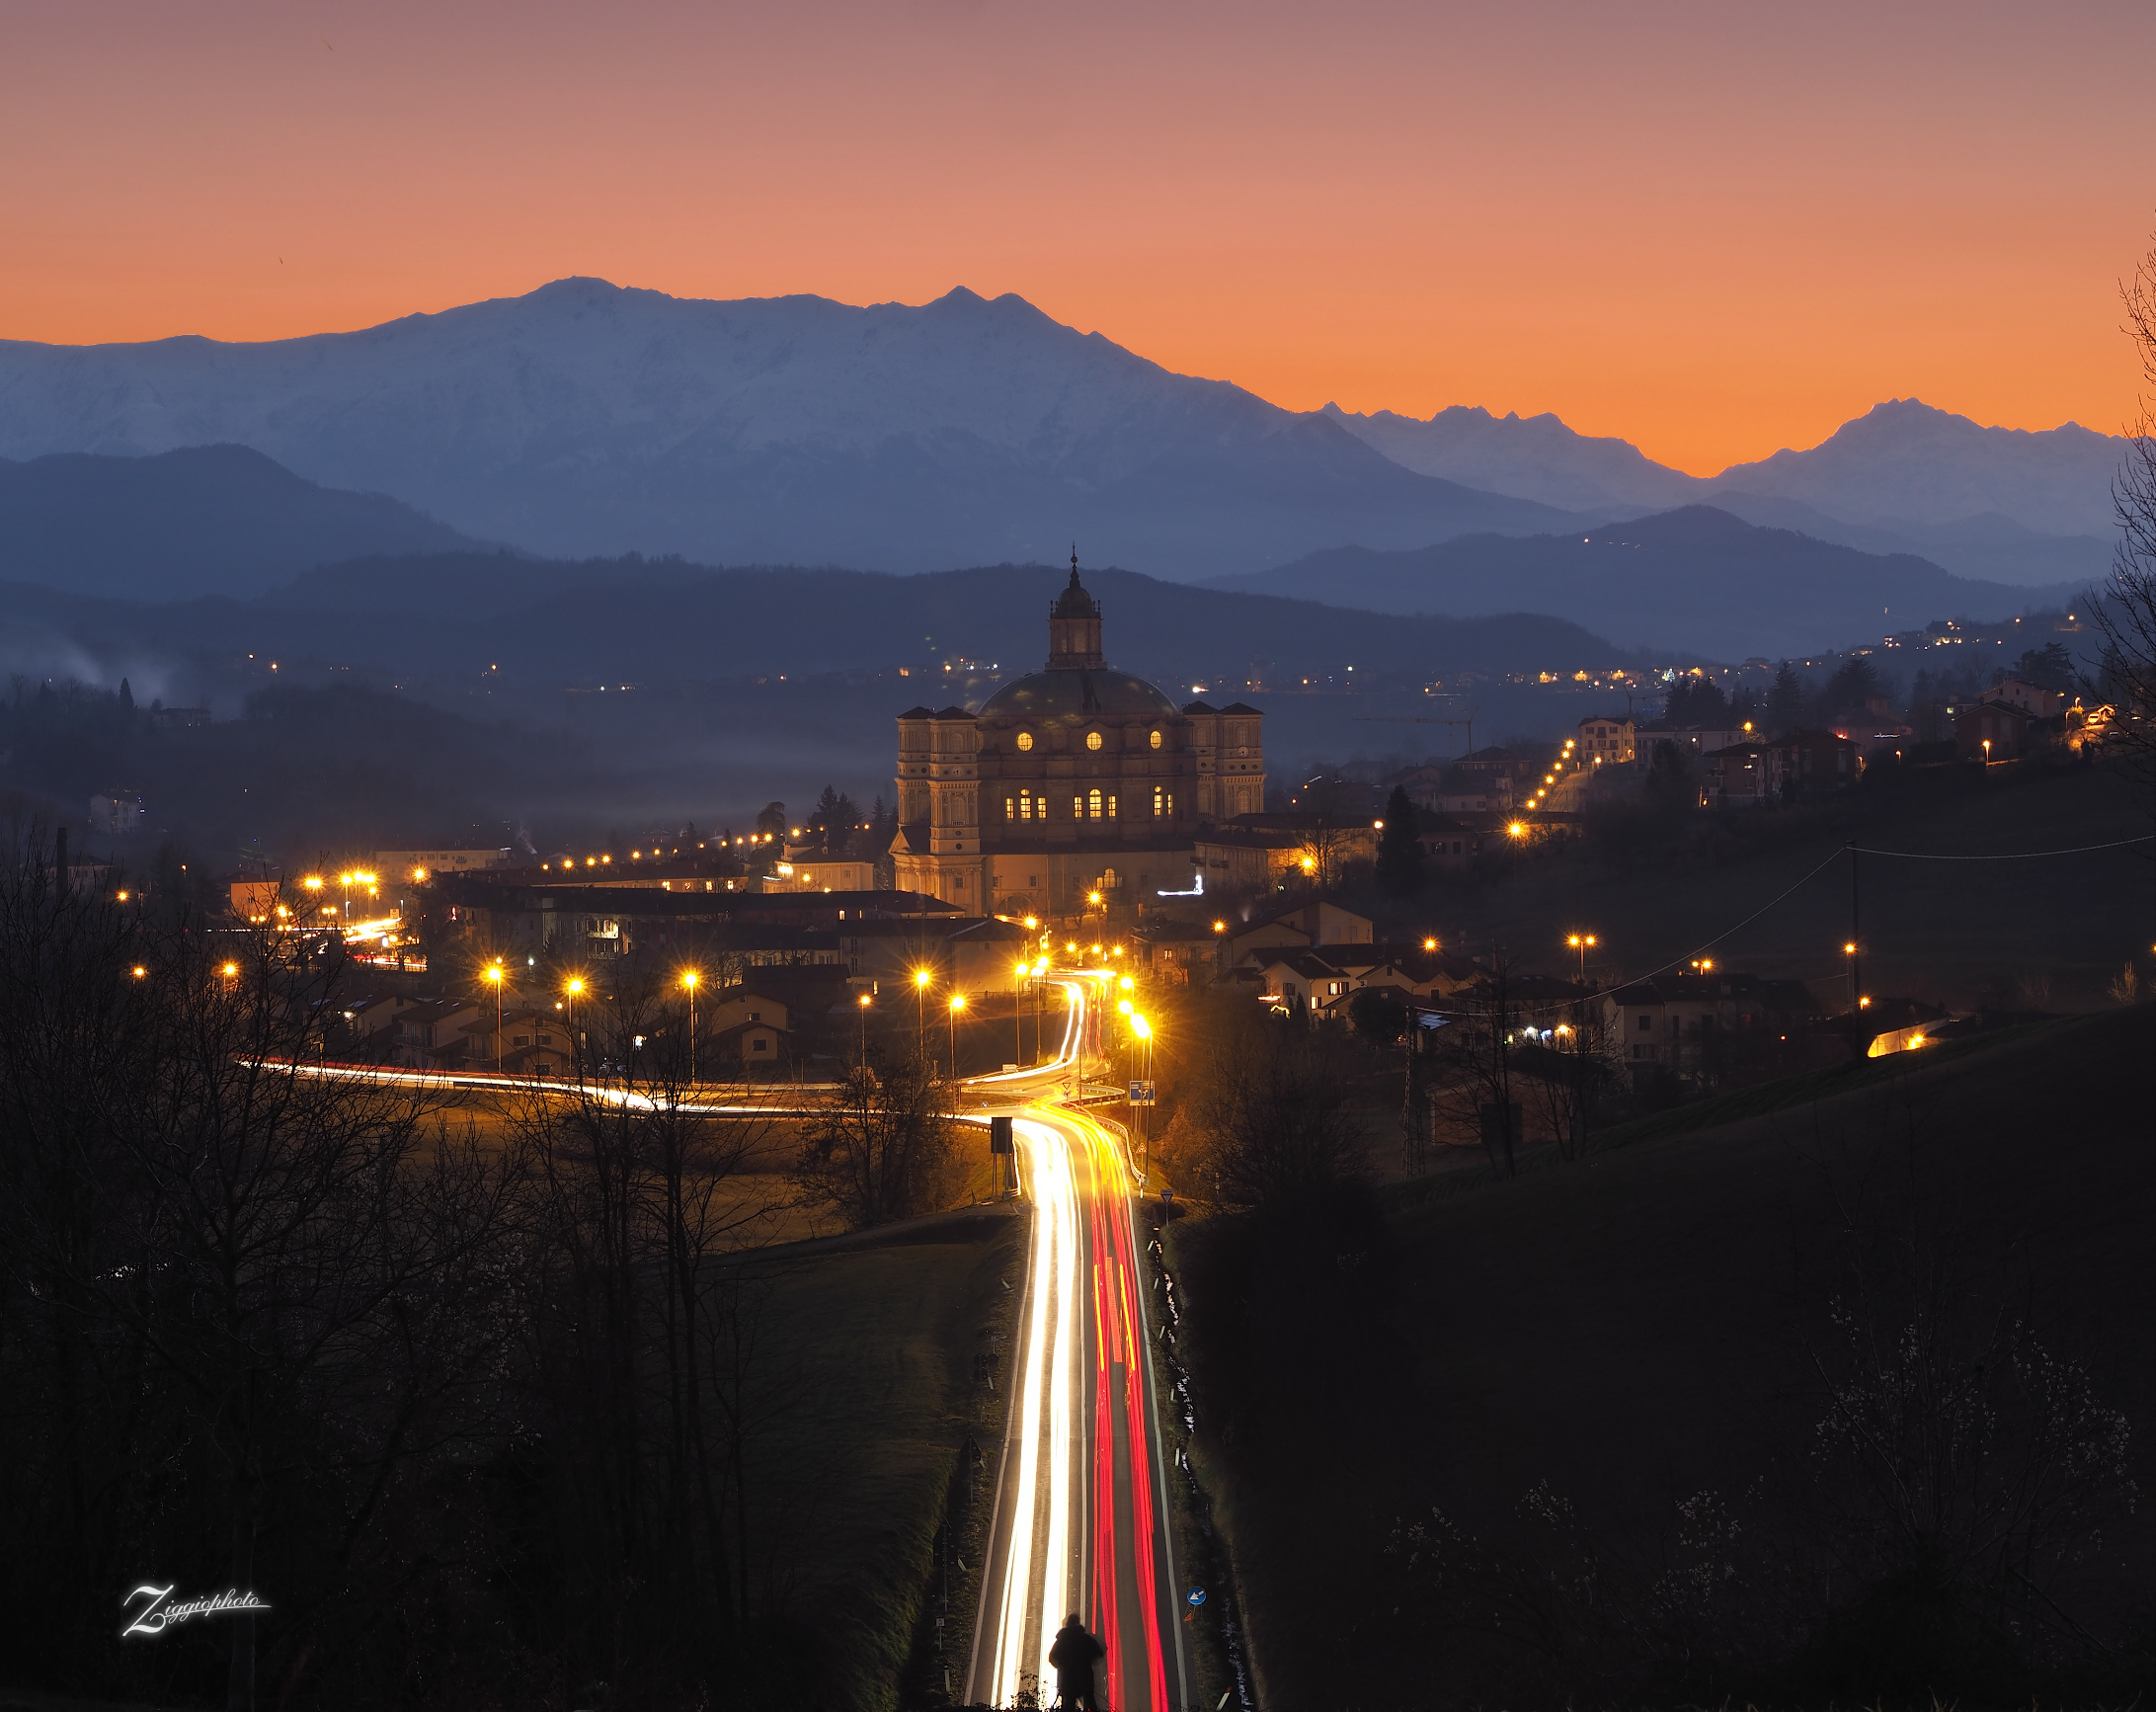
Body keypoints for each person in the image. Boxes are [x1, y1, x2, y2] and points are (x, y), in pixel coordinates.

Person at [1048, 1611, 1106, 1710]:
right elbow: (1099, 1652)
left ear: (1067, 1624)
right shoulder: (1086, 1639)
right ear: (1078, 1623)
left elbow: (1052, 1657)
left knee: (1069, 1705)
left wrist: (1062, 1664)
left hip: (1068, 1678)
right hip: (1085, 1677)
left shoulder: (1062, 1641)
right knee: (1090, 1703)